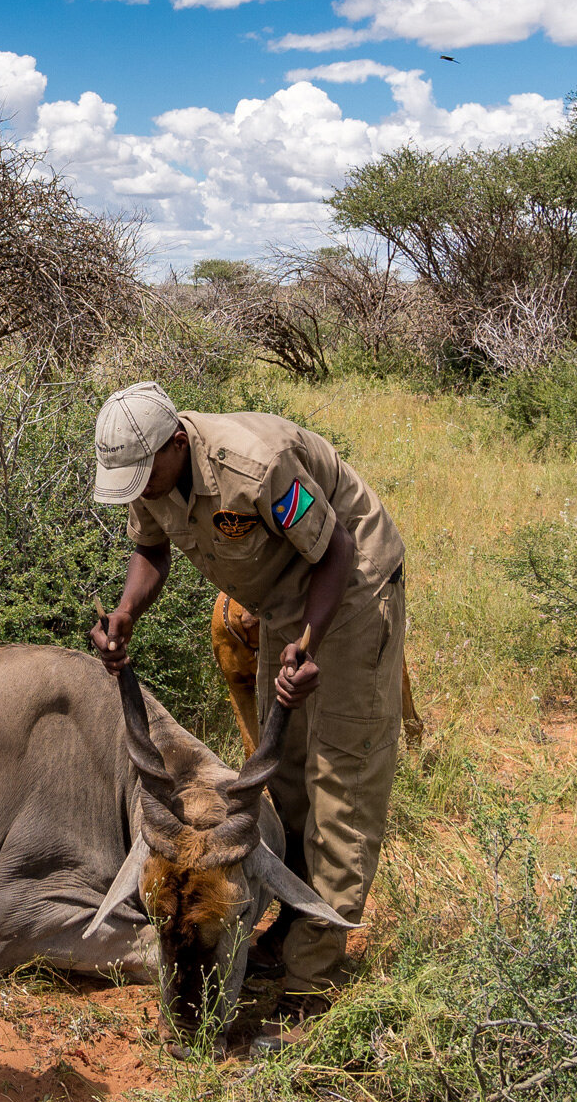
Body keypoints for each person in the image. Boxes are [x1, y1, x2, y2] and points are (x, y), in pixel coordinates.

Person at [83, 381, 407, 1010]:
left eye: (144, 475)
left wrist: (308, 642)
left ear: (177, 442)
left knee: (341, 779)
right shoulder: (151, 474)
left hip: (351, 589)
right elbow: (151, 548)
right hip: (282, 602)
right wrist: (126, 612)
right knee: (278, 775)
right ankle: (289, 925)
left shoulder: (253, 468)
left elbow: (337, 549)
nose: (139, 490)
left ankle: (312, 975)